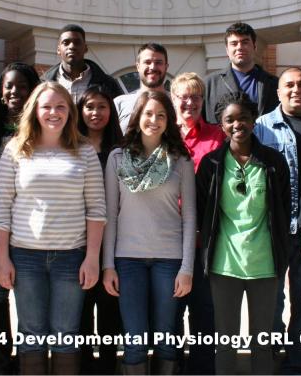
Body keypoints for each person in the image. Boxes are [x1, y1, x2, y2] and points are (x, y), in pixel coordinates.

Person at [0, 82, 106, 375]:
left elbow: (96, 210)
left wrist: (92, 258)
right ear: (34, 110)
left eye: (60, 106)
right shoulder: (15, 150)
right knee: (31, 333)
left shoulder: (85, 152)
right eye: (46, 107)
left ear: (69, 111)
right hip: (25, 257)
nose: (53, 113)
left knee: (66, 333)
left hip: (71, 257)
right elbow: (2, 209)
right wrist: (2, 259)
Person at [196, 92, 290, 375]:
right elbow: (203, 211)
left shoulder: (273, 162)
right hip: (224, 265)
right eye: (230, 120)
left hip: (264, 264)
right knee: (225, 341)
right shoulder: (211, 164)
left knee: (262, 341)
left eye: (243, 118)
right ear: (221, 125)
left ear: (253, 121)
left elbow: (283, 208)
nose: (237, 124)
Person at [102, 91, 195, 375]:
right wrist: (107, 266)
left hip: (169, 261)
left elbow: (190, 217)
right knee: (135, 341)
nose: (153, 120)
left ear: (169, 120)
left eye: (161, 115)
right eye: (148, 114)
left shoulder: (180, 160)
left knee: (167, 341)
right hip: (127, 261)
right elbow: (110, 216)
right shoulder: (117, 158)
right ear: (137, 118)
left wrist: (186, 268)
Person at [253, 67, 301, 375]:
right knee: (270, 301)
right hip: (272, 229)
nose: (296, 89)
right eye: (289, 85)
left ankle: (299, 362)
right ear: (278, 92)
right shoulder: (262, 127)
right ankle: (271, 349)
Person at [0, 61, 40, 375]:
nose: (15, 92)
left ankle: (30, 357)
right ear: (1, 93)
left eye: (22, 86)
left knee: (28, 294)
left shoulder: (43, 132)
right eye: (9, 86)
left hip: (32, 227)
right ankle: (2, 359)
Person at [170, 72, 224, 375]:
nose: (189, 102)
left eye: (196, 96)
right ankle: (174, 367)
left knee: (205, 311)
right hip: (168, 239)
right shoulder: (164, 134)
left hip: (206, 239)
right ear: (173, 99)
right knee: (172, 312)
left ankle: (203, 369)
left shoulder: (217, 136)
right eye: (183, 96)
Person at [76, 86, 123, 375]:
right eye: (89, 106)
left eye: (102, 107)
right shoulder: (72, 146)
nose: (96, 113)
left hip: (114, 241)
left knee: (109, 312)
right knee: (80, 312)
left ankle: (106, 367)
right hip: (76, 239)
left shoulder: (120, 149)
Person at [203, 22, 279, 124]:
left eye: (245, 42)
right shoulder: (209, 84)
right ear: (227, 50)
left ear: (255, 47)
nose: (239, 47)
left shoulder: (275, 84)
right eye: (234, 43)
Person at [42, 24, 123, 102]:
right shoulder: (43, 83)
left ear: (85, 48)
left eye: (77, 42)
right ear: (58, 50)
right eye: (66, 43)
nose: (71, 46)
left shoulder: (108, 83)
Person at [114, 43, 169, 133]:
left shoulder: (177, 104)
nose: (153, 67)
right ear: (138, 66)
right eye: (147, 62)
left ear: (166, 67)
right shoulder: (119, 104)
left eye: (158, 63)